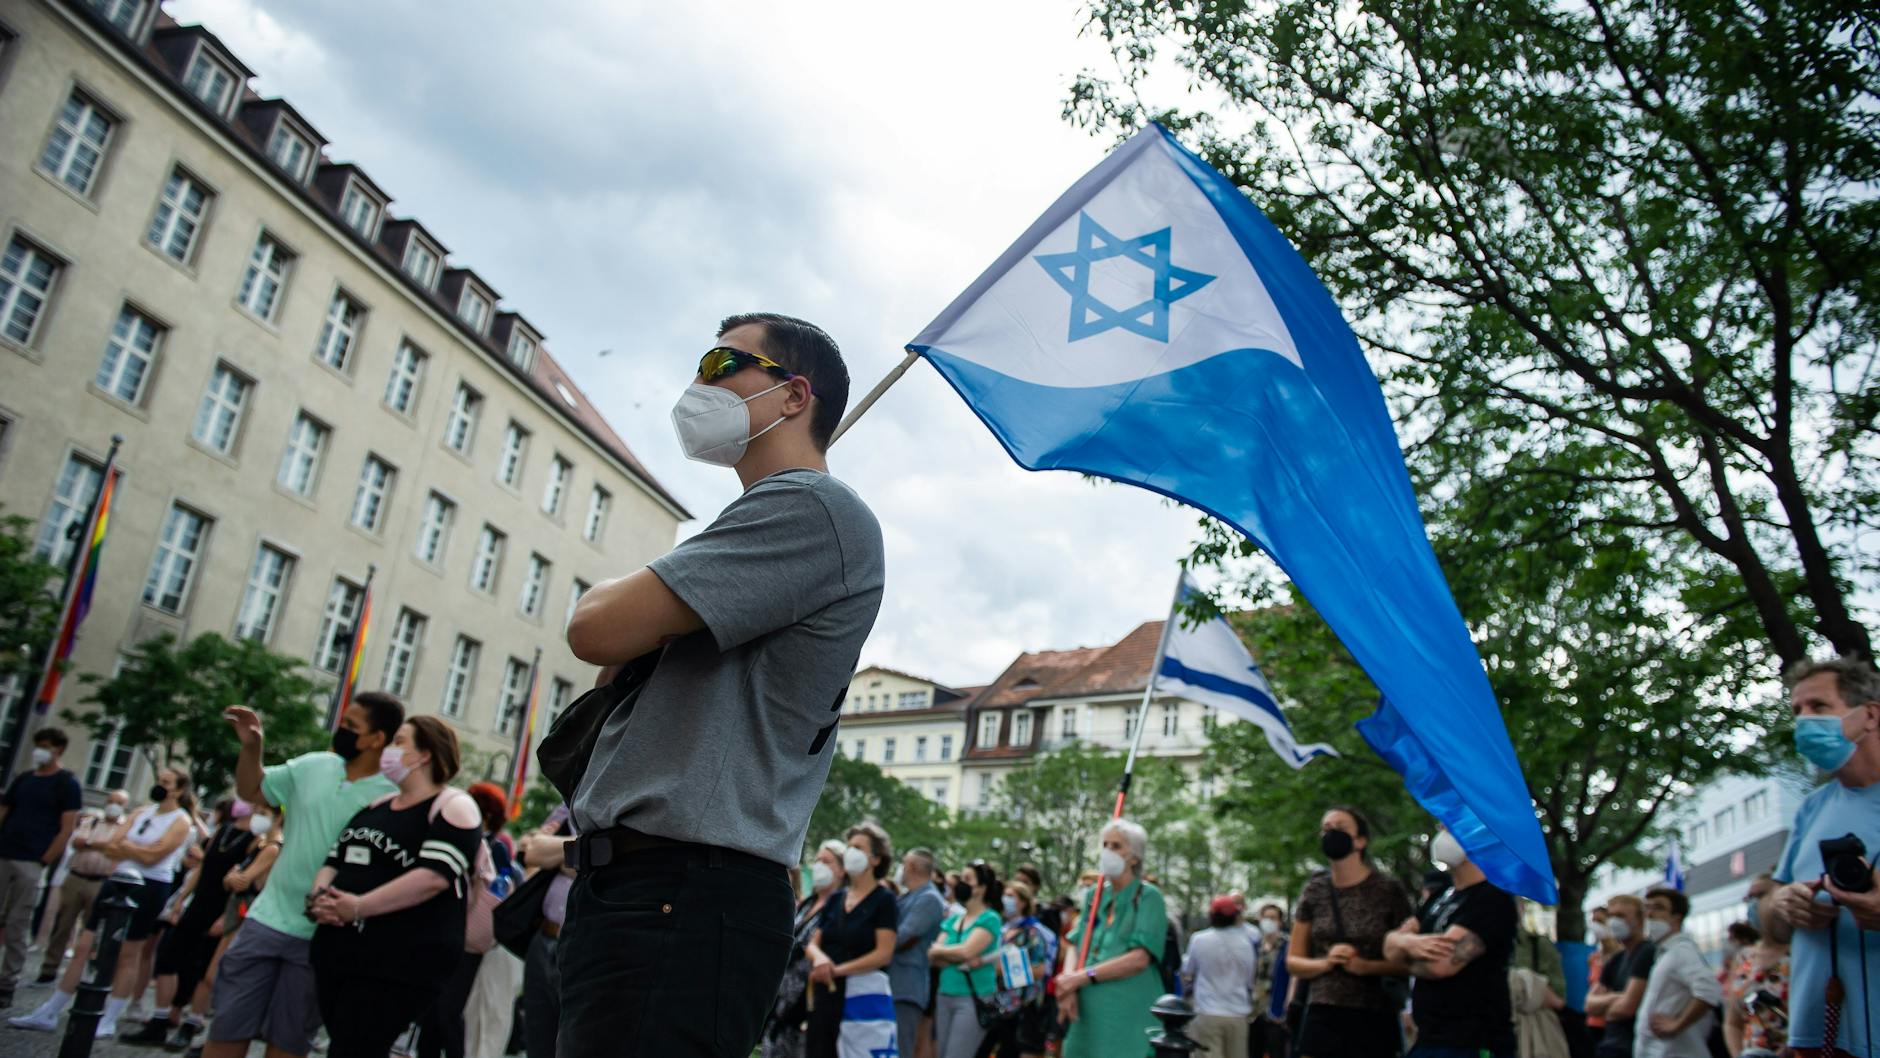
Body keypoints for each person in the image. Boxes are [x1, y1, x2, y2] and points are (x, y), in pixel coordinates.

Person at [560, 313, 882, 1058]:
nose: (697, 383)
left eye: (720, 362)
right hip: (654, 891)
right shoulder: (763, 520)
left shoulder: (812, 509)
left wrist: (637, 594)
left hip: (683, 894)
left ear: (794, 395)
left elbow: (594, 629)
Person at [202, 693, 402, 1058]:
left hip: (323, 937)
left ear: (377, 738)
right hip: (267, 920)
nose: (340, 731)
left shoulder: (392, 796)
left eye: (351, 727)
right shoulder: (314, 765)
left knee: (288, 1043)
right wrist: (252, 749)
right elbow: (252, 789)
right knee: (227, 1028)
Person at [307, 716, 482, 1058]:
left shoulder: (452, 806)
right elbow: (333, 861)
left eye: (400, 742)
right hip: (340, 952)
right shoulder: (375, 808)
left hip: (400, 961)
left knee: (357, 1047)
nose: (389, 749)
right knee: (344, 1042)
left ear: (425, 754)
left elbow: (434, 876)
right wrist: (319, 899)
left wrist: (358, 906)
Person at [9, 767, 192, 1037]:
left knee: (129, 954)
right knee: (85, 945)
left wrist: (129, 848)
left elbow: (154, 856)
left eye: (166, 782)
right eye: (160, 781)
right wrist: (135, 850)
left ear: (178, 789)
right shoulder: (142, 812)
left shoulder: (181, 820)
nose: (161, 786)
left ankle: (109, 1018)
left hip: (150, 886)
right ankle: (51, 1010)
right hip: (117, 879)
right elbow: (111, 843)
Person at [1768, 657, 1880, 1058]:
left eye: (1818, 707)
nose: (1803, 721)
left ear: (1869, 715)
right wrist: (1782, 904)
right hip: (1818, 1038)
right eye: (1796, 711)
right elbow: (1772, 921)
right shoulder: (1811, 807)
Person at [125, 797, 258, 1049]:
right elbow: (203, 867)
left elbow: (245, 882)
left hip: (223, 909)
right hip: (198, 905)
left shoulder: (256, 840)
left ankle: (192, 1023)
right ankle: (161, 1018)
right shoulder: (225, 830)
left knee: (204, 968)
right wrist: (182, 898)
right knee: (170, 957)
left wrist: (226, 918)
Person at [1286, 806, 1413, 1058]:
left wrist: (1366, 966)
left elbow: (1409, 961)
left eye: (1341, 828)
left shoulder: (1388, 890)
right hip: (1323, 1010)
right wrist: (1326, 963)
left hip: (1375, 1013)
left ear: (1361, 840)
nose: (1331, 834)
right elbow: (1293, 961)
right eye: (1326, 829)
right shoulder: (1314, 891)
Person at [1383, 825, 1518, 1058]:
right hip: (1428, 1038)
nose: (1441, 832)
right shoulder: (1440, 895)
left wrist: (1404, 944)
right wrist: (1408, 944)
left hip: (1472, 1043)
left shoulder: (1492, 898)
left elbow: (1440, 964)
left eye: (1449, 826)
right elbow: (1389, 946)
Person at [1055, 819, 1169, 1058]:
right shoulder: (1092, 896)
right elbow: (1076, 944)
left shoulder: (1149, 897)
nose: (1108, 851)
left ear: (1135, 857)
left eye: (1116, 846)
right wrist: (1067, 985)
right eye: (1105, 844)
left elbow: (1138, 959)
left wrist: (1080, 978)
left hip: (1125, 1010)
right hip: (1085, 1009)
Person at [417, 783, 514, 1058]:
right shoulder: (462, 838)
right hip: (447, 933)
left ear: (485, 814)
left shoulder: (493, 848)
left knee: (447, 1011)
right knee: (433, 1013)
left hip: (467, 940)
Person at [0, 726, 82, 1007]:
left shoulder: (66, 784)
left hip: (31, 859)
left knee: (16, 922)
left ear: (58, 749)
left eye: (45, 746)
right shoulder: (23, 779)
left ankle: (7, 982)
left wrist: (43, 859)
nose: (40, 751)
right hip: (5, 853)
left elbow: (66, 828)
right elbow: (4, 811)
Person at [803, 823, 898, 1058]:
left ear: (876, 859)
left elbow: (883, 954)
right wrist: (821, 959)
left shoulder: (884, 901)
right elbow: (813, 943)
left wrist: (837, 970)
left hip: (861, 994)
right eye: (849, 846)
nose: (850, 852)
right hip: (826, 992)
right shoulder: (836, 899)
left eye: (858, 847)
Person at [763, 838, 849, 1058]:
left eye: (827, 861)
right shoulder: (809, 903)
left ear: (841, 870)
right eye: (818, 860)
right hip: (782, 993)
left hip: (808, 1000)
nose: (819, 865)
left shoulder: (841, 907)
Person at [36, 788, 128, 984]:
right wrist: (103, 845)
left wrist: (92, 843)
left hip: (101, 882)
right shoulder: (92, 820)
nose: (113, 806)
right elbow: (77, 841)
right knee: (63, 924)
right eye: (111, 800)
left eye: (118, 803)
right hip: (76, 877)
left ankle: (80, 972)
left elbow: (118, 850)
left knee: (91, 929)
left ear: (124, 807)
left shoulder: (125, 827)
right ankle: (49, 968)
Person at [1632, 887, 1719, 1058]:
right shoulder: (1666, 953)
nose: (1649, 914)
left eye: (1658, 908)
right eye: (1647, 908)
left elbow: (1710, 990)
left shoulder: (1681, 951)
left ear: (1676, 918)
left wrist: (1677, 1024)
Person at [928, 860, 1003, 1058]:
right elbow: (933, 956)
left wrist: (945, 951)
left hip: (972, 998)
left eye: (967, 879)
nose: (961, 883)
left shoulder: (990, 919)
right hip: (944, 994)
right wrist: (954, 953)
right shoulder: (953, 919)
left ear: (981, 888)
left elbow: (966, 952)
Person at [516, 812, 574, 1058]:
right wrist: (579, 851)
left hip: (580, 945)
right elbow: (532, 851)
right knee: (538, 1041)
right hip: (544, 937)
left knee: (575, 1043)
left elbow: (610, 861)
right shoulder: (570, 797)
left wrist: (555, 853)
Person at [979, 879, 1056, 1058]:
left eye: (1011, 896)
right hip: (995, 1005)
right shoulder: (1001, 929)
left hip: (1021, 1008)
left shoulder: (1034, 933)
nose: (1006, 900)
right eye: (1004, 895)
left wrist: (1004, 971)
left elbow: (1041, 969)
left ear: (1023, 902)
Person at [1180, 895, 1258, 1058]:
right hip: (1237, 1014)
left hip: (1207, 1012)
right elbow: (1250, 980)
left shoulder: (1199, 940)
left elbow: (1188, 971)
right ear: (1234, 916)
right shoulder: (1246, 943)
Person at [890, 847, 946, 1058]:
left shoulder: (929, 899)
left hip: (906, 987)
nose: (901, 870)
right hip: (894, 984)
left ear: (911, 867)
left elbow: (903, 936)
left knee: (900, 1048)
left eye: (904, 864)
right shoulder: (910, 896)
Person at [1586, 895, 1656, 1058]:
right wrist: (1618, 997)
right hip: (1611, 1043)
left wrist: (1607, 1005)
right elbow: (1589, 1005)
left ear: (1640, 920)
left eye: (1621, 916)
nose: (1614, 921)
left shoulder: (1647, 951)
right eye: (1612, 916)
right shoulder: (1617, 959)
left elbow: (1626, 1008)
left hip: (1633, 1046)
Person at [1721, 890, 1789, 1058]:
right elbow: (1732, 1022)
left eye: (1759, 896)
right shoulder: (1744, 957)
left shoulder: (1798, 956)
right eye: (1749, 898)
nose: (1752, 903)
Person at [1252, 903, 1292, 1058]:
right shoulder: (1254, 945)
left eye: (1273, 918)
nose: (1269, 921)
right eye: (1265, 917)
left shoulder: (1287, 946)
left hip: (1276, 1013)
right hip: (1254, 1012)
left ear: (1280, 922)